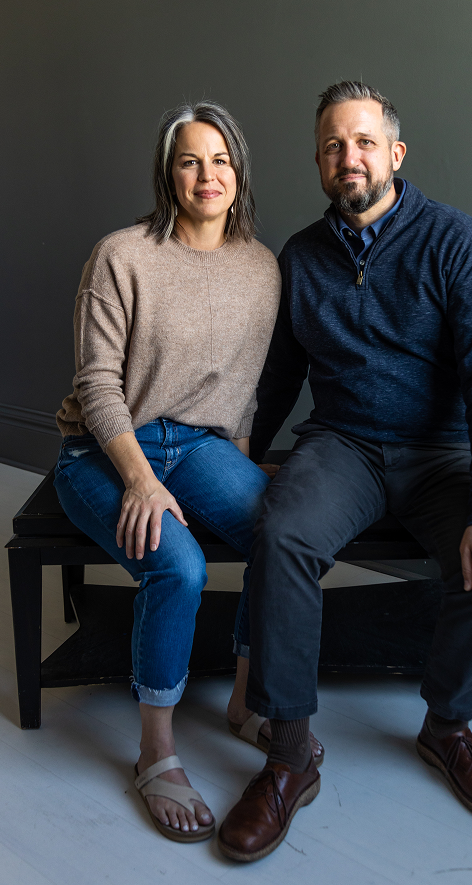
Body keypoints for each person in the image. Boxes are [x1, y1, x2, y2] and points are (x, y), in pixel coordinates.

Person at [218, 80, 472, 862]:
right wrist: (240, 456)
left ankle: (448, 727)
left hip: (440, 451)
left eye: (363, 142)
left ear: (395, 153)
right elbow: (278, 377)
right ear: (319, 162)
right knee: (283, 534)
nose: (347, 156)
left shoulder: (456, 242)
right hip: (343, 445)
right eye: (332, 145)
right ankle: (290, 754)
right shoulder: (302, 257)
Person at [54, 100, 290, 843]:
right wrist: (139, 478)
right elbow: (96, 386)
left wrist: (242, 475)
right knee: (179, 567)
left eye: (221, 159)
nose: (206, 174)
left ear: (239, 171)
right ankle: (155, 751)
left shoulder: (261, 267)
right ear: (168, 174)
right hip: (102, 449)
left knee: (278, 535)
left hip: (197, 445)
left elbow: (243, 388)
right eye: (190, 160)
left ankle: (246, 702)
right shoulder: (121, 255)